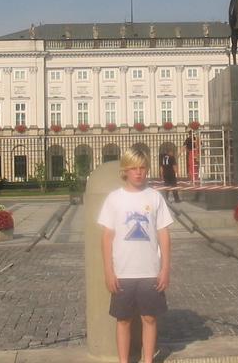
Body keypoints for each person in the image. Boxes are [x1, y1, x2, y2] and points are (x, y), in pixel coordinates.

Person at [98, 148, 173, 363]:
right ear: (125, 171)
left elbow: (164, 235)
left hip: (149, 270)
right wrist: (108, 271)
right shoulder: (115, 199)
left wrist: (165, 268)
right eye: (133, 169)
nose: (138, 173)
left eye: (142, 168)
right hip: (123, 272)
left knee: (149, 318)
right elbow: (107, 238)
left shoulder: (155, 197)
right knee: (123, 320)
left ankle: (148, 359)